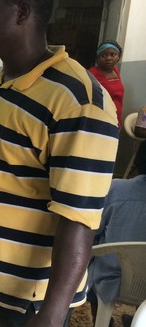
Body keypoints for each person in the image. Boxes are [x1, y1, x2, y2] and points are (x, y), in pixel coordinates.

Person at [0, 0, 119, 327]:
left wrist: (53, 315)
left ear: (21, 11)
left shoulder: (78, 102)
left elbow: (79, 219)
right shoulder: (5, 81)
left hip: (22, 294)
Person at [88, 140, 146, 327]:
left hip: (110, 280)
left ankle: (104, 321)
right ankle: (139, 317)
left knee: (87, 262)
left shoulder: (116, 189)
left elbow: (93, 232)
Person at [89, 40, 125, 129]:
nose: (108, 58)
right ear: (98, 58)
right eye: (103, 55)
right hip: (100, 120)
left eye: (113, 55)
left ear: (118, 57)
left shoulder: (116, 70)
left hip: (116, 119)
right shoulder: (91, 74)